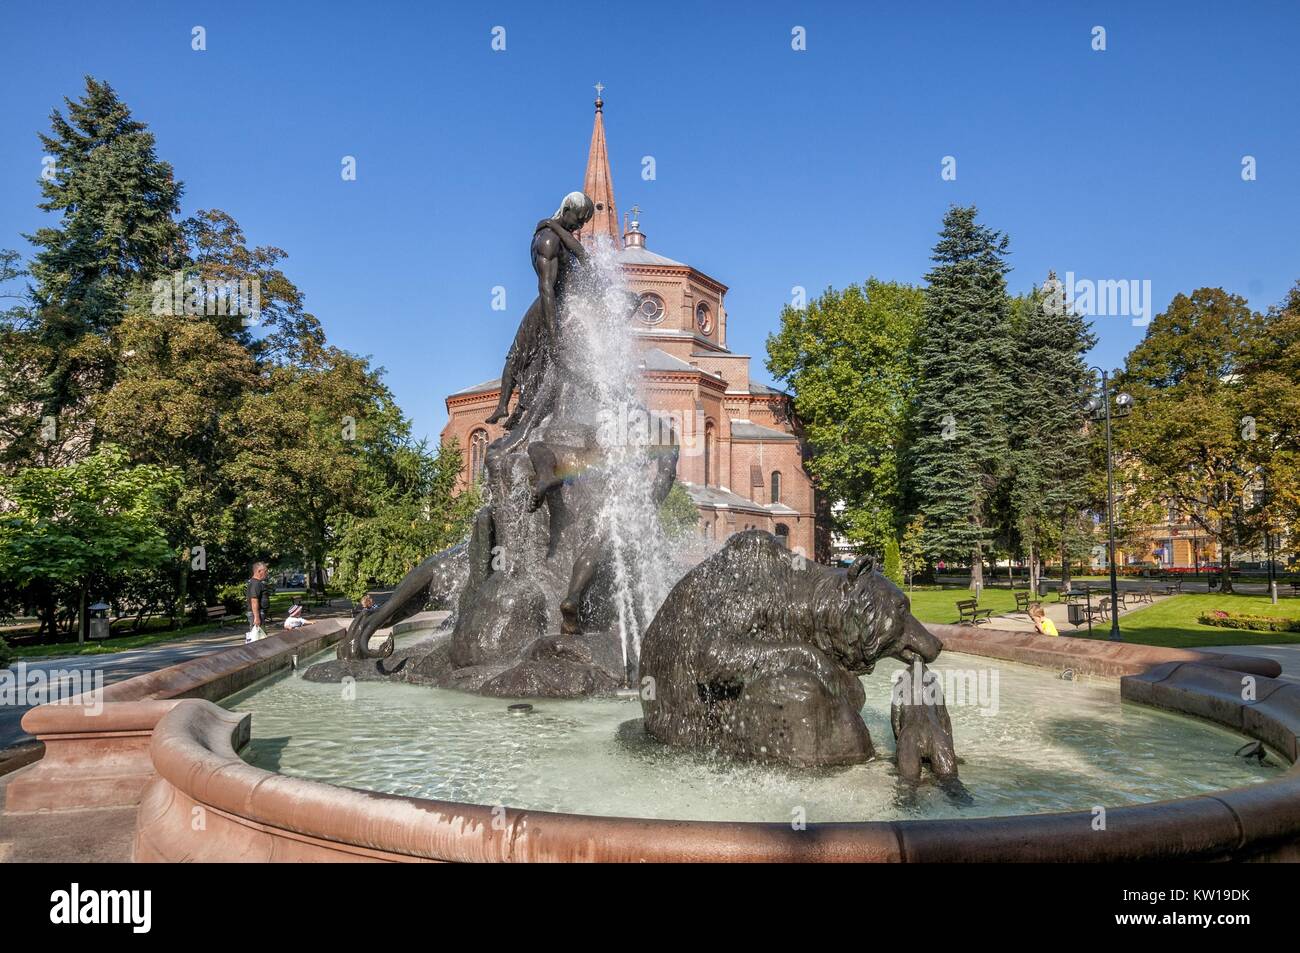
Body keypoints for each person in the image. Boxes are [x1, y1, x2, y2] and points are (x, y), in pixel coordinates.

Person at [484, 192, 595, 430]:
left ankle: (525, 407)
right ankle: (504, 405)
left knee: (535, 360)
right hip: (550, 300)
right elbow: (546, 288)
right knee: (517, 353)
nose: (579, 225)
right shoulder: (547, 241)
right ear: (566, 211)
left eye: (583, 222)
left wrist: (553, 223)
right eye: (577, 219)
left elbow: (584, 256)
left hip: (566, 299)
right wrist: (553, 336)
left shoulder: (558, 234)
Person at [246, 561, 271, 643]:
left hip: (259, 613)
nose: (267, 573)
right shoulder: (255, 584)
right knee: (257, 638)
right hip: (257, 614)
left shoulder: (257, 583)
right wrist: (256, 617)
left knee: (261, 636)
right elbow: (254, 600)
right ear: (259, 571)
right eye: (265, 571)